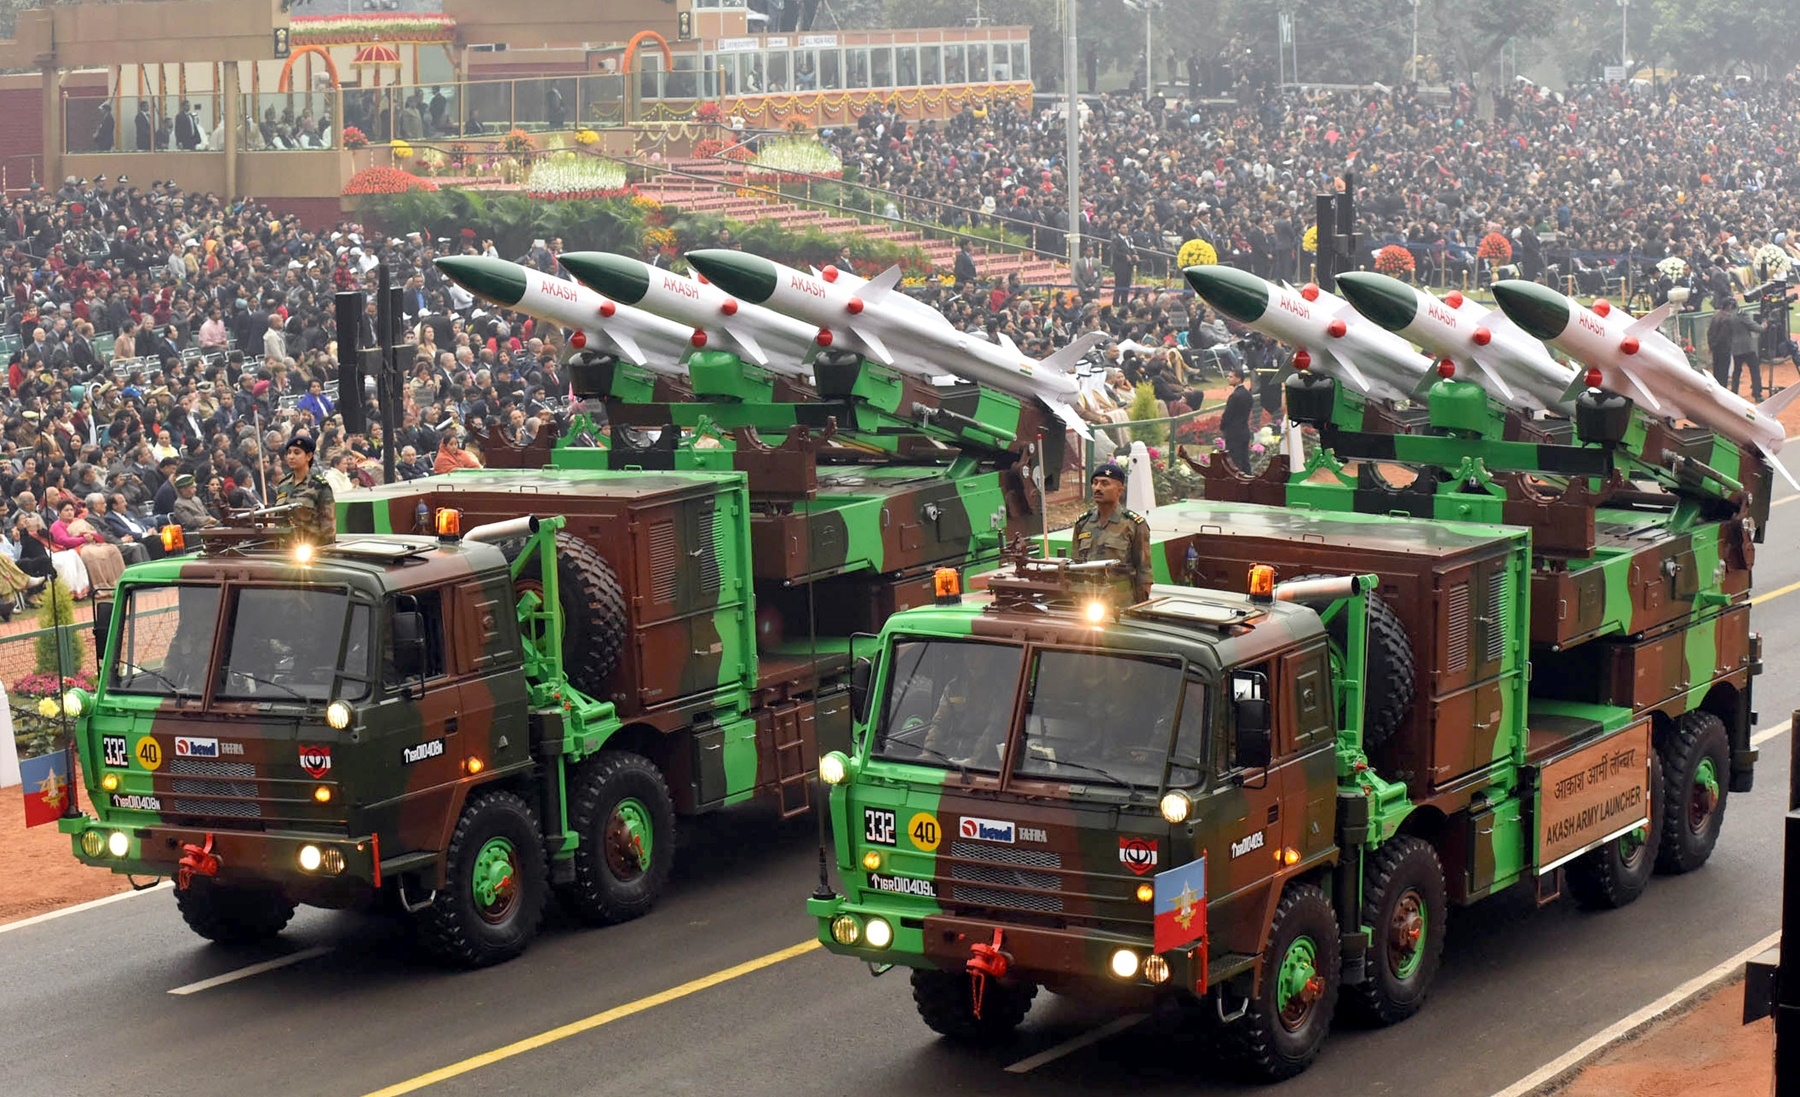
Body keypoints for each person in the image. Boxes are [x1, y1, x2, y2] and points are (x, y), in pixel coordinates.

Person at [1071, 461, 1152, 603]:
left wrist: (1141, 605)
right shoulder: (1083, 523)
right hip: (1087, 601)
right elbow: (1075, 567)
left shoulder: (1134, 524)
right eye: (1095, 483)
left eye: (1105, 483)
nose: (1097, 488)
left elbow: (1144, 571)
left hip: (1120, 601)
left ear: (1120, 490)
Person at [274, 435, 335, 542]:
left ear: (309, 456)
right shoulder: (283, 485)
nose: (291, 457)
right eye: (289, 453)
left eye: (297, 453)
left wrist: (327, 551)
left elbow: (328, 527)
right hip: (285, 550)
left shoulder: (320, 486)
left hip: (312, 550)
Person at [1221, 367, 1254, 473]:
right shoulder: (1248, 394)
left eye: (1231, 377)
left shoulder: (1235, 396)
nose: (1228, 378)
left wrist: (1222, 426)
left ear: (1239, 379)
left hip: (1234, 433)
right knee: (1245, 460)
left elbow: (1227, 415)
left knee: (1235, 461)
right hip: (1244, 430)